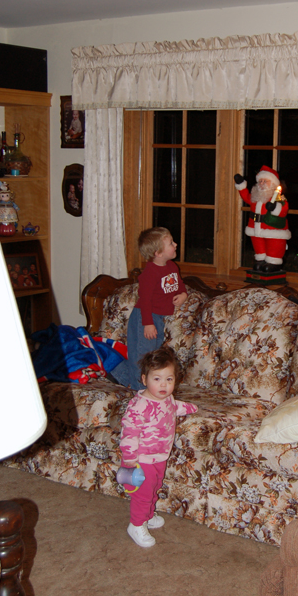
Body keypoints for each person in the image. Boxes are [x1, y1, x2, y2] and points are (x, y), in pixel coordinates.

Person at [120, 346, 197, 548]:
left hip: (160, 456)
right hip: (141, 459)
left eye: (169, 379)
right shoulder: (138, 406)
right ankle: (136, 524)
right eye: (157, 379)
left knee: (154, 488)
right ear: (144, 379)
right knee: (143, 493)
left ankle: (147, 515)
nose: (163, 384)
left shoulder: (167, 399)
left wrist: (190, 407)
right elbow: (129, 433)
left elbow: (174, 407)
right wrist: (129, 459)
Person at [114, 227, 188, 390]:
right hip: (144, 317)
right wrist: (148, 323)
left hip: (159, 319)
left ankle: (125, 377)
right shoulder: (149, 273)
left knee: (154, 356)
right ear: (158, 253)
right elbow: (145, 300)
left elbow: (179, 284)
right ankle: (138, 391)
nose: (175, 244)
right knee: (142, 357)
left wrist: (183, 295)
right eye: (170, 243)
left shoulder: (172, 267)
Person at [234, 166, 291, 273]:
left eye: (266, 181)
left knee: (274, 245)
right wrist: (241, 185)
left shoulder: (279, 197)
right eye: (260, 181)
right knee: (259, 246)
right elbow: (246, 196)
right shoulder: (255, 196)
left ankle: (273, 262)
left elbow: (284, 208)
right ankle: (260, 260)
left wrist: (274, 207)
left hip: (273, 230)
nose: (262, 183)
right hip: (255, 228)